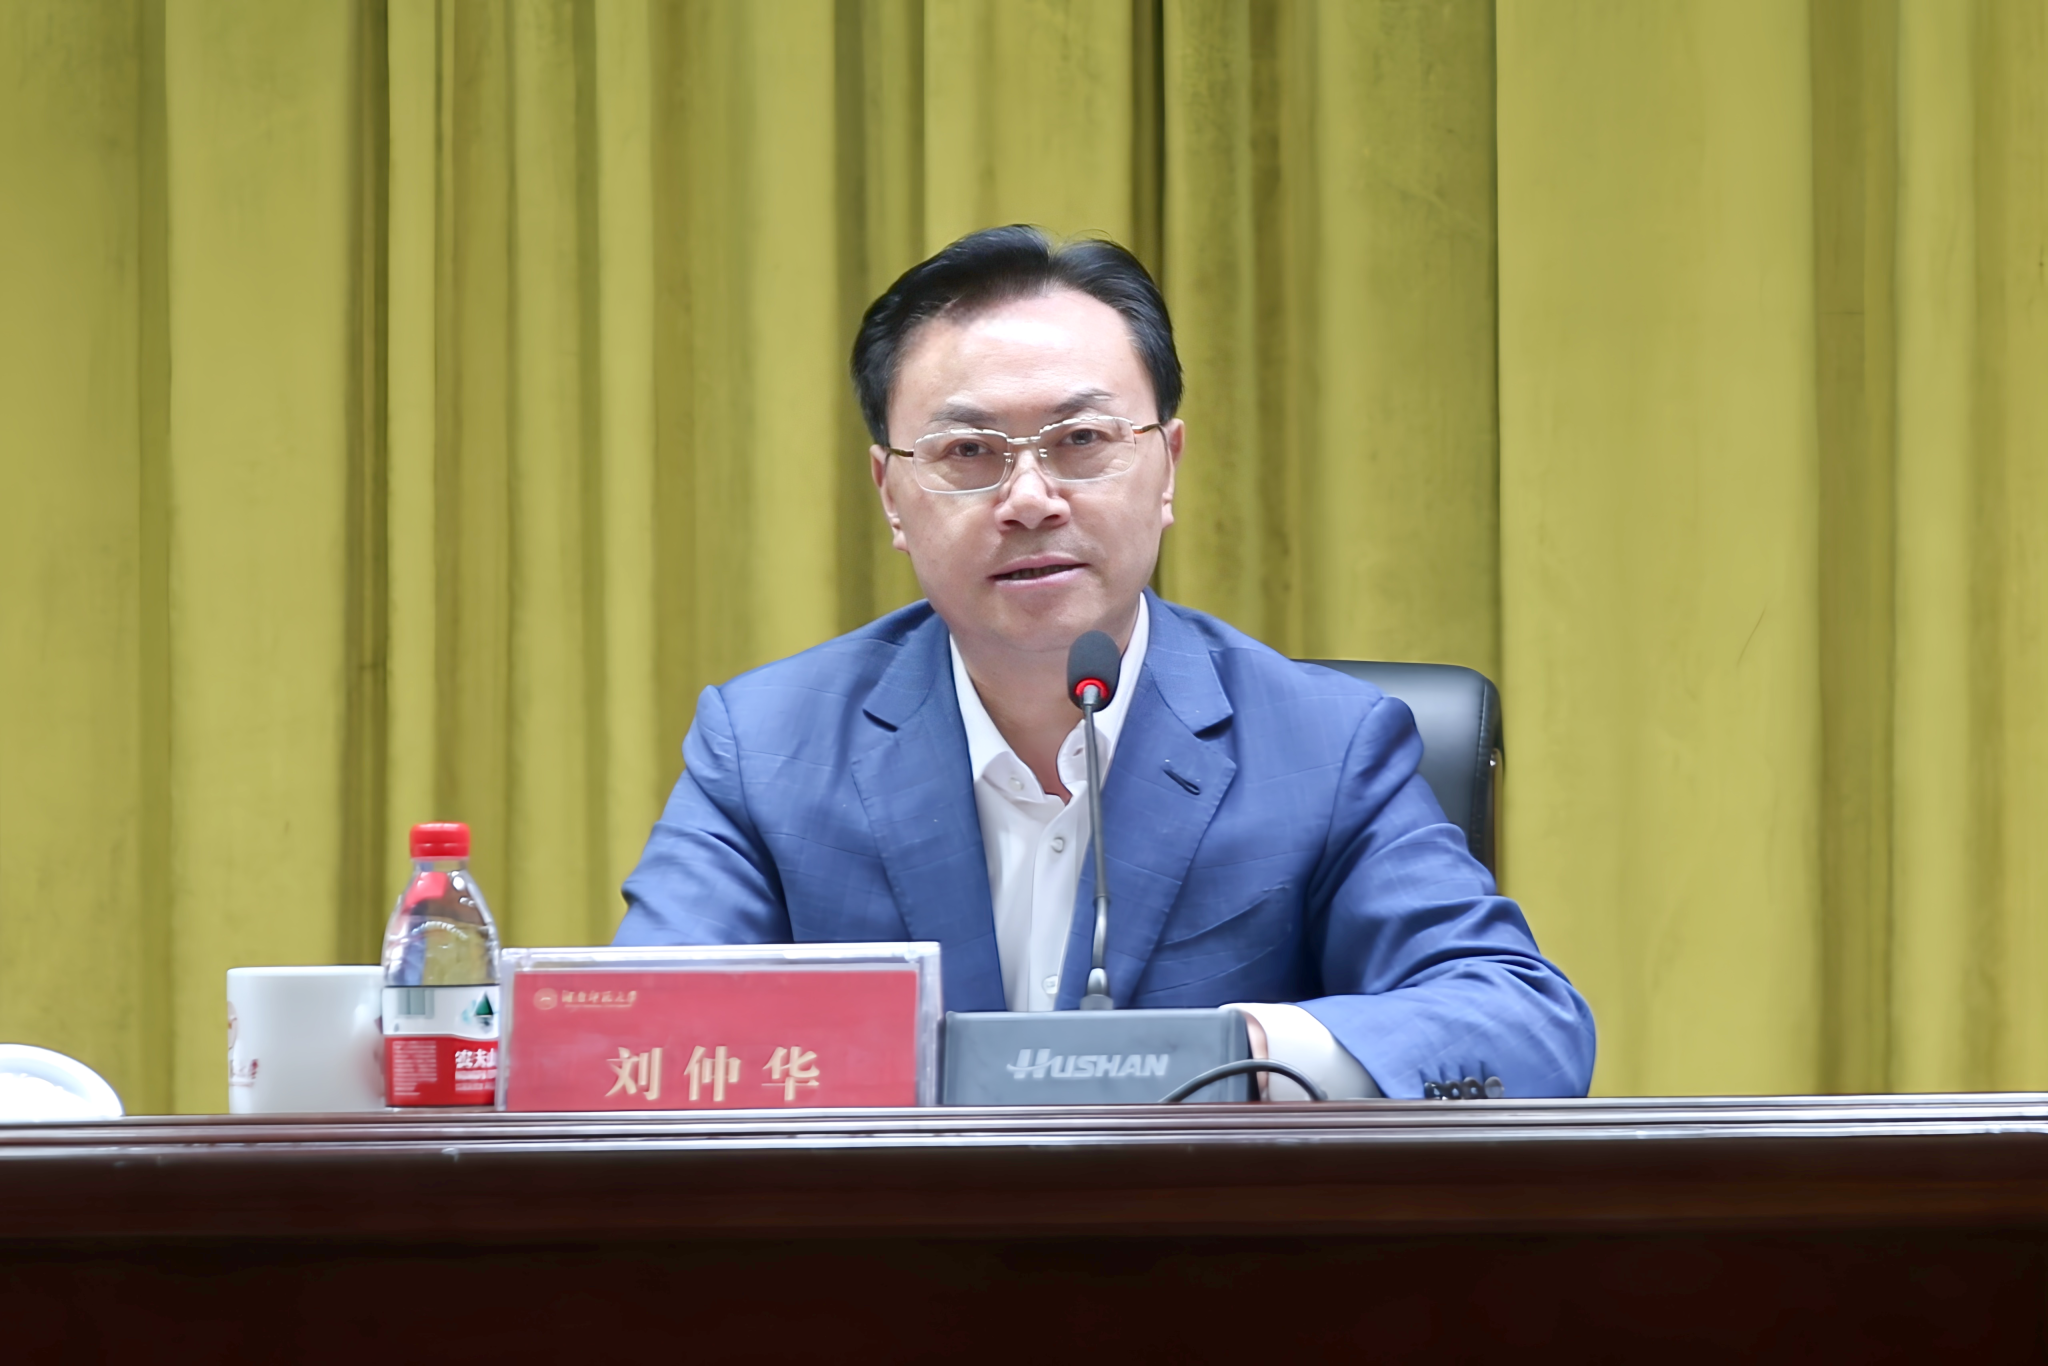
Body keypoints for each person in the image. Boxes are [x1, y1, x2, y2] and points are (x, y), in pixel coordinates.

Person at [616, 226, 1595, 1099]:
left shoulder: (1325, 746)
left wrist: (1234, 1054)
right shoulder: (765, 749)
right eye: (968, 452)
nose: (1028, 498)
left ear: (1167, 465)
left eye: (1081, 440)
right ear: (889, 493)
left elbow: (1522, 1026)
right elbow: (634, 1048)